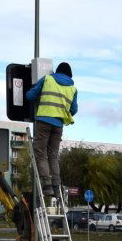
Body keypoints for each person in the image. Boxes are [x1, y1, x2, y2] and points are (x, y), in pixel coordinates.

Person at [26, 62, 77, 198]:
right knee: (53, 155)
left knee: (41, 153)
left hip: (43, 122)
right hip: (58, 125)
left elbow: (30, 96)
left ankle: (47, 185)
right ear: (69, 75)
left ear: (57, 71)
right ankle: (56, 184)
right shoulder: (73, 89)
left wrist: (31, 90)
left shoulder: (48, 79)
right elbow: (74, 109)